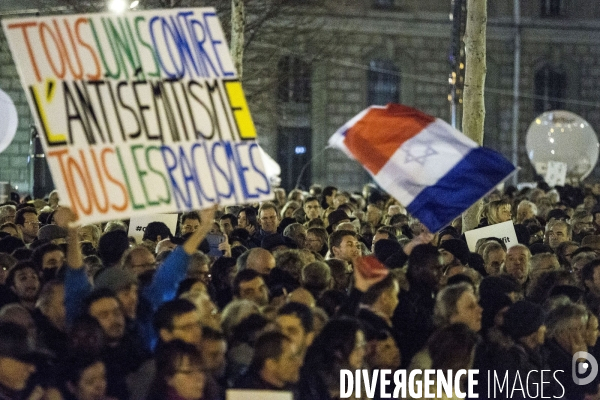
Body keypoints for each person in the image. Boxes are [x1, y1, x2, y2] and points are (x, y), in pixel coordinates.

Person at [299, 318, 366, 400]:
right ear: (337, 350)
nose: (362, 353)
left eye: (362, 346)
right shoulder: (315, 383)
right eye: (357, 347)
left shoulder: (359, 376)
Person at [234, 331, 302, 391]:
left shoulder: (296, 390)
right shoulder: (245, 393)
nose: (299, 363)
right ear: (270, 364)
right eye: (291, 358)